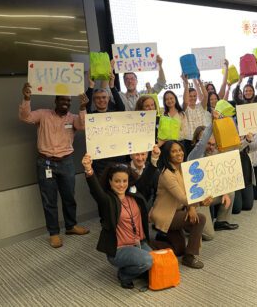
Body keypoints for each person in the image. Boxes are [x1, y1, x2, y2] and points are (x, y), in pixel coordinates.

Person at [19, 83, 90, 248]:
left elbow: (83, 125)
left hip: (66, 162)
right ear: (56, 100)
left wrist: (82, 107)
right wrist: (27, 98)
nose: (66, 103)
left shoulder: (73, 118)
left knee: (69, 197)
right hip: (46, 163)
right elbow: (25, 117)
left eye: (68, 101)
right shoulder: (43, 114)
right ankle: (54, 233)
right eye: (63, 100)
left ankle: (71, 226)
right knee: (49, 200)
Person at [82, 152, 157, 289]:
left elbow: (146, 178)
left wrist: (154, 159)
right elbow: (96, 189)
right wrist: (88, 169)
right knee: (147, 261)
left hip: (138, 243)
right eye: (117, 181)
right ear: (110, 182)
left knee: (156, 263)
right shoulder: (107, 201)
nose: (121, 185)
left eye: (124, 181)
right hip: (119, 249)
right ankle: (124, 275)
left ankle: (136, 264)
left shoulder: (133, 194)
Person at [150, 141, 210, 268]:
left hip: (177, 212)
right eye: (174, 151)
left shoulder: (184, 169)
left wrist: (192, 207)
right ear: (167, 155)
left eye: (180, 150)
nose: (179, 153)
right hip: (166, 215)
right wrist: (199, 202)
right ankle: (189, 257)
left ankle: (151, 243)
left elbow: (190, 191)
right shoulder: (167, 174)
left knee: (178, 250)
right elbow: (183, 197)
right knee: (201, 219)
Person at [187, 120, 238, 241]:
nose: (211, 147)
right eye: (208, 144)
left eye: (213, 144)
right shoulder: (194, 156)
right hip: (197, 201)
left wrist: (224, 192)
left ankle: (221, 221)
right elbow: (201, 145)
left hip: (210, 194)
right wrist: (212, 122)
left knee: (230, 192)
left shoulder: (214, 156)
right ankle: (188, 225)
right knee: (209, 236)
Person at [183, 76, 210, 147]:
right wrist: (186, 85)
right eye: (190, 96)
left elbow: (206, 96)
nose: (193, 98)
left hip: (204, 138)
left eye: (194, 96)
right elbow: (185, 102)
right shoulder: (185, 109)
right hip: (191, 140)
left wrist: (199, 81)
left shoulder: (200, 106)